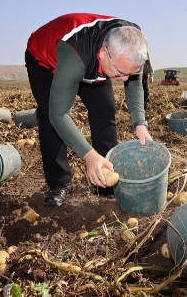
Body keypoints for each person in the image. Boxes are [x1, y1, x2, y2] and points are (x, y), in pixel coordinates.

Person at [25, 13, 153, 207]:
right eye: (119, 73)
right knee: (49, 116)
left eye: (129, 73)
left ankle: (106, 178)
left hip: (90, 62)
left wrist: (140, 123)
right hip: (45, 61)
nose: (124, 80)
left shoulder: (133, 43)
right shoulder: (75, 53)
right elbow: (58, 114)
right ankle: (59, 184)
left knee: (104, 108)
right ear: (103, 52)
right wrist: (88, 155)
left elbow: (134, 83)